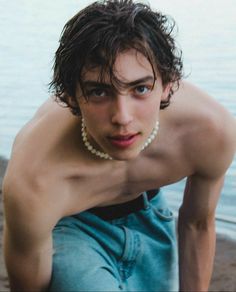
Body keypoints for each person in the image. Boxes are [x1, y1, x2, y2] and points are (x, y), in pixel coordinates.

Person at [3, 0, 236, 291]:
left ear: (168, 85)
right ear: (70, 97)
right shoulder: (35, 179)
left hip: (151, 215)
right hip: (72, 226)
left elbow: (198, 223)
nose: (122, 118)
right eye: (99, 91)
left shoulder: (211, 131)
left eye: (140, 88)